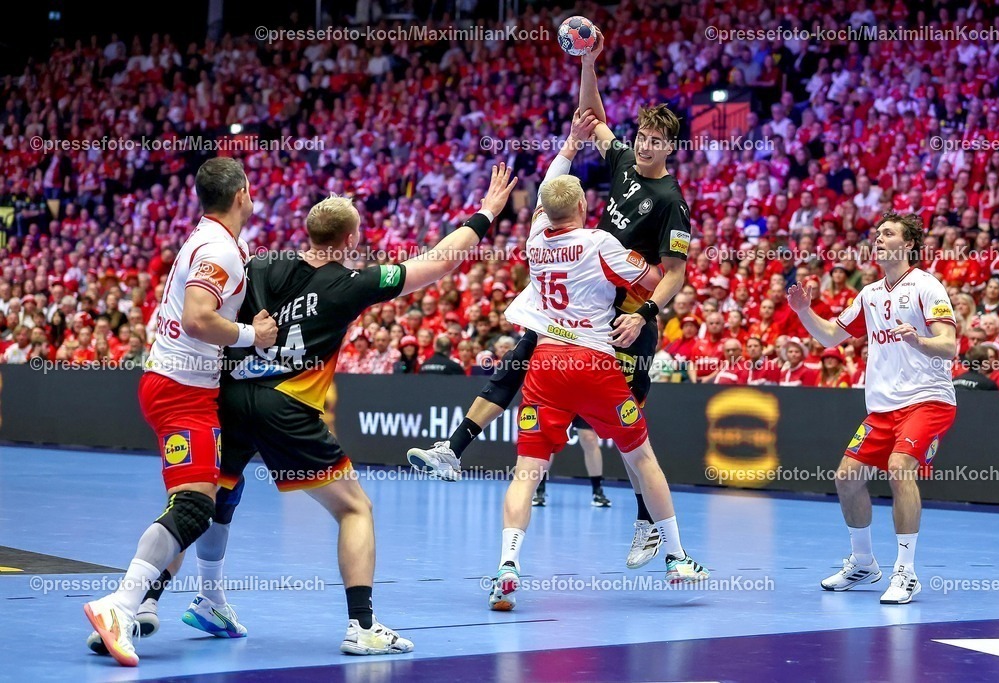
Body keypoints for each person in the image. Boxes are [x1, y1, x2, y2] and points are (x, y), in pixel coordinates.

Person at [107, 165, 516, 657]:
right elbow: (438, 263)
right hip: (289, 408)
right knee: (355, 508)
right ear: (348, 239)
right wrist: (487, 212)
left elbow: (207, 312)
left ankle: (144, 602)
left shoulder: (253, 265)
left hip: (230, 399)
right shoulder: (353, 282)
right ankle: (362, 626)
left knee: (207, 502)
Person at [410, 34, 693, 569]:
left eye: (657, 140)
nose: (646, 145)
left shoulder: (671, 203)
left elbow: (674, 273)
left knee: (634, 437)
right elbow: (590, 114)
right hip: (587, 299)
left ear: (671, 147)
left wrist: (647, 313)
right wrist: (588, 61)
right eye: (643, 136)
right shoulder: (625, 166)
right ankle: (454, 450)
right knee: (522, 357)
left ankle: (646, 526)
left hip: (627, 315)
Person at [488, 150, 706, 612]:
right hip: (593, 360)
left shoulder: (534, 242)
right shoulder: (600, 243)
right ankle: (676, 557)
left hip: (546, 363)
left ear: (544, 211)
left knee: (527, 470)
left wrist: (567, 149)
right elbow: (655, 278)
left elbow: (551, 189)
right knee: (642, 457)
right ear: (585, 208)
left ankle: (507, 565)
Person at [83, 157, 278, 667]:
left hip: (178, 383)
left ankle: (147, 604)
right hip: (181, 390)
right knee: (194, 509)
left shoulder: (214, 239)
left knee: (192, 506)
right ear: (242, 194)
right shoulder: (218, 248)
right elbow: (197, 318)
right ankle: (120, 606)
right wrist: (250, 336)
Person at [787, 212, 957, 605]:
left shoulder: (926, 287)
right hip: (882, 409)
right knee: (846, 478)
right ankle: (864, 563)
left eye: (888, 233)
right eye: (877, 233)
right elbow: (831, 336)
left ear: (909, 244)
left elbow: (949, 345)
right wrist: (803, 312)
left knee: (899, 468)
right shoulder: (870, 293)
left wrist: (919, 341)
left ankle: (906, 573)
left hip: (928, 399)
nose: (878, 238)